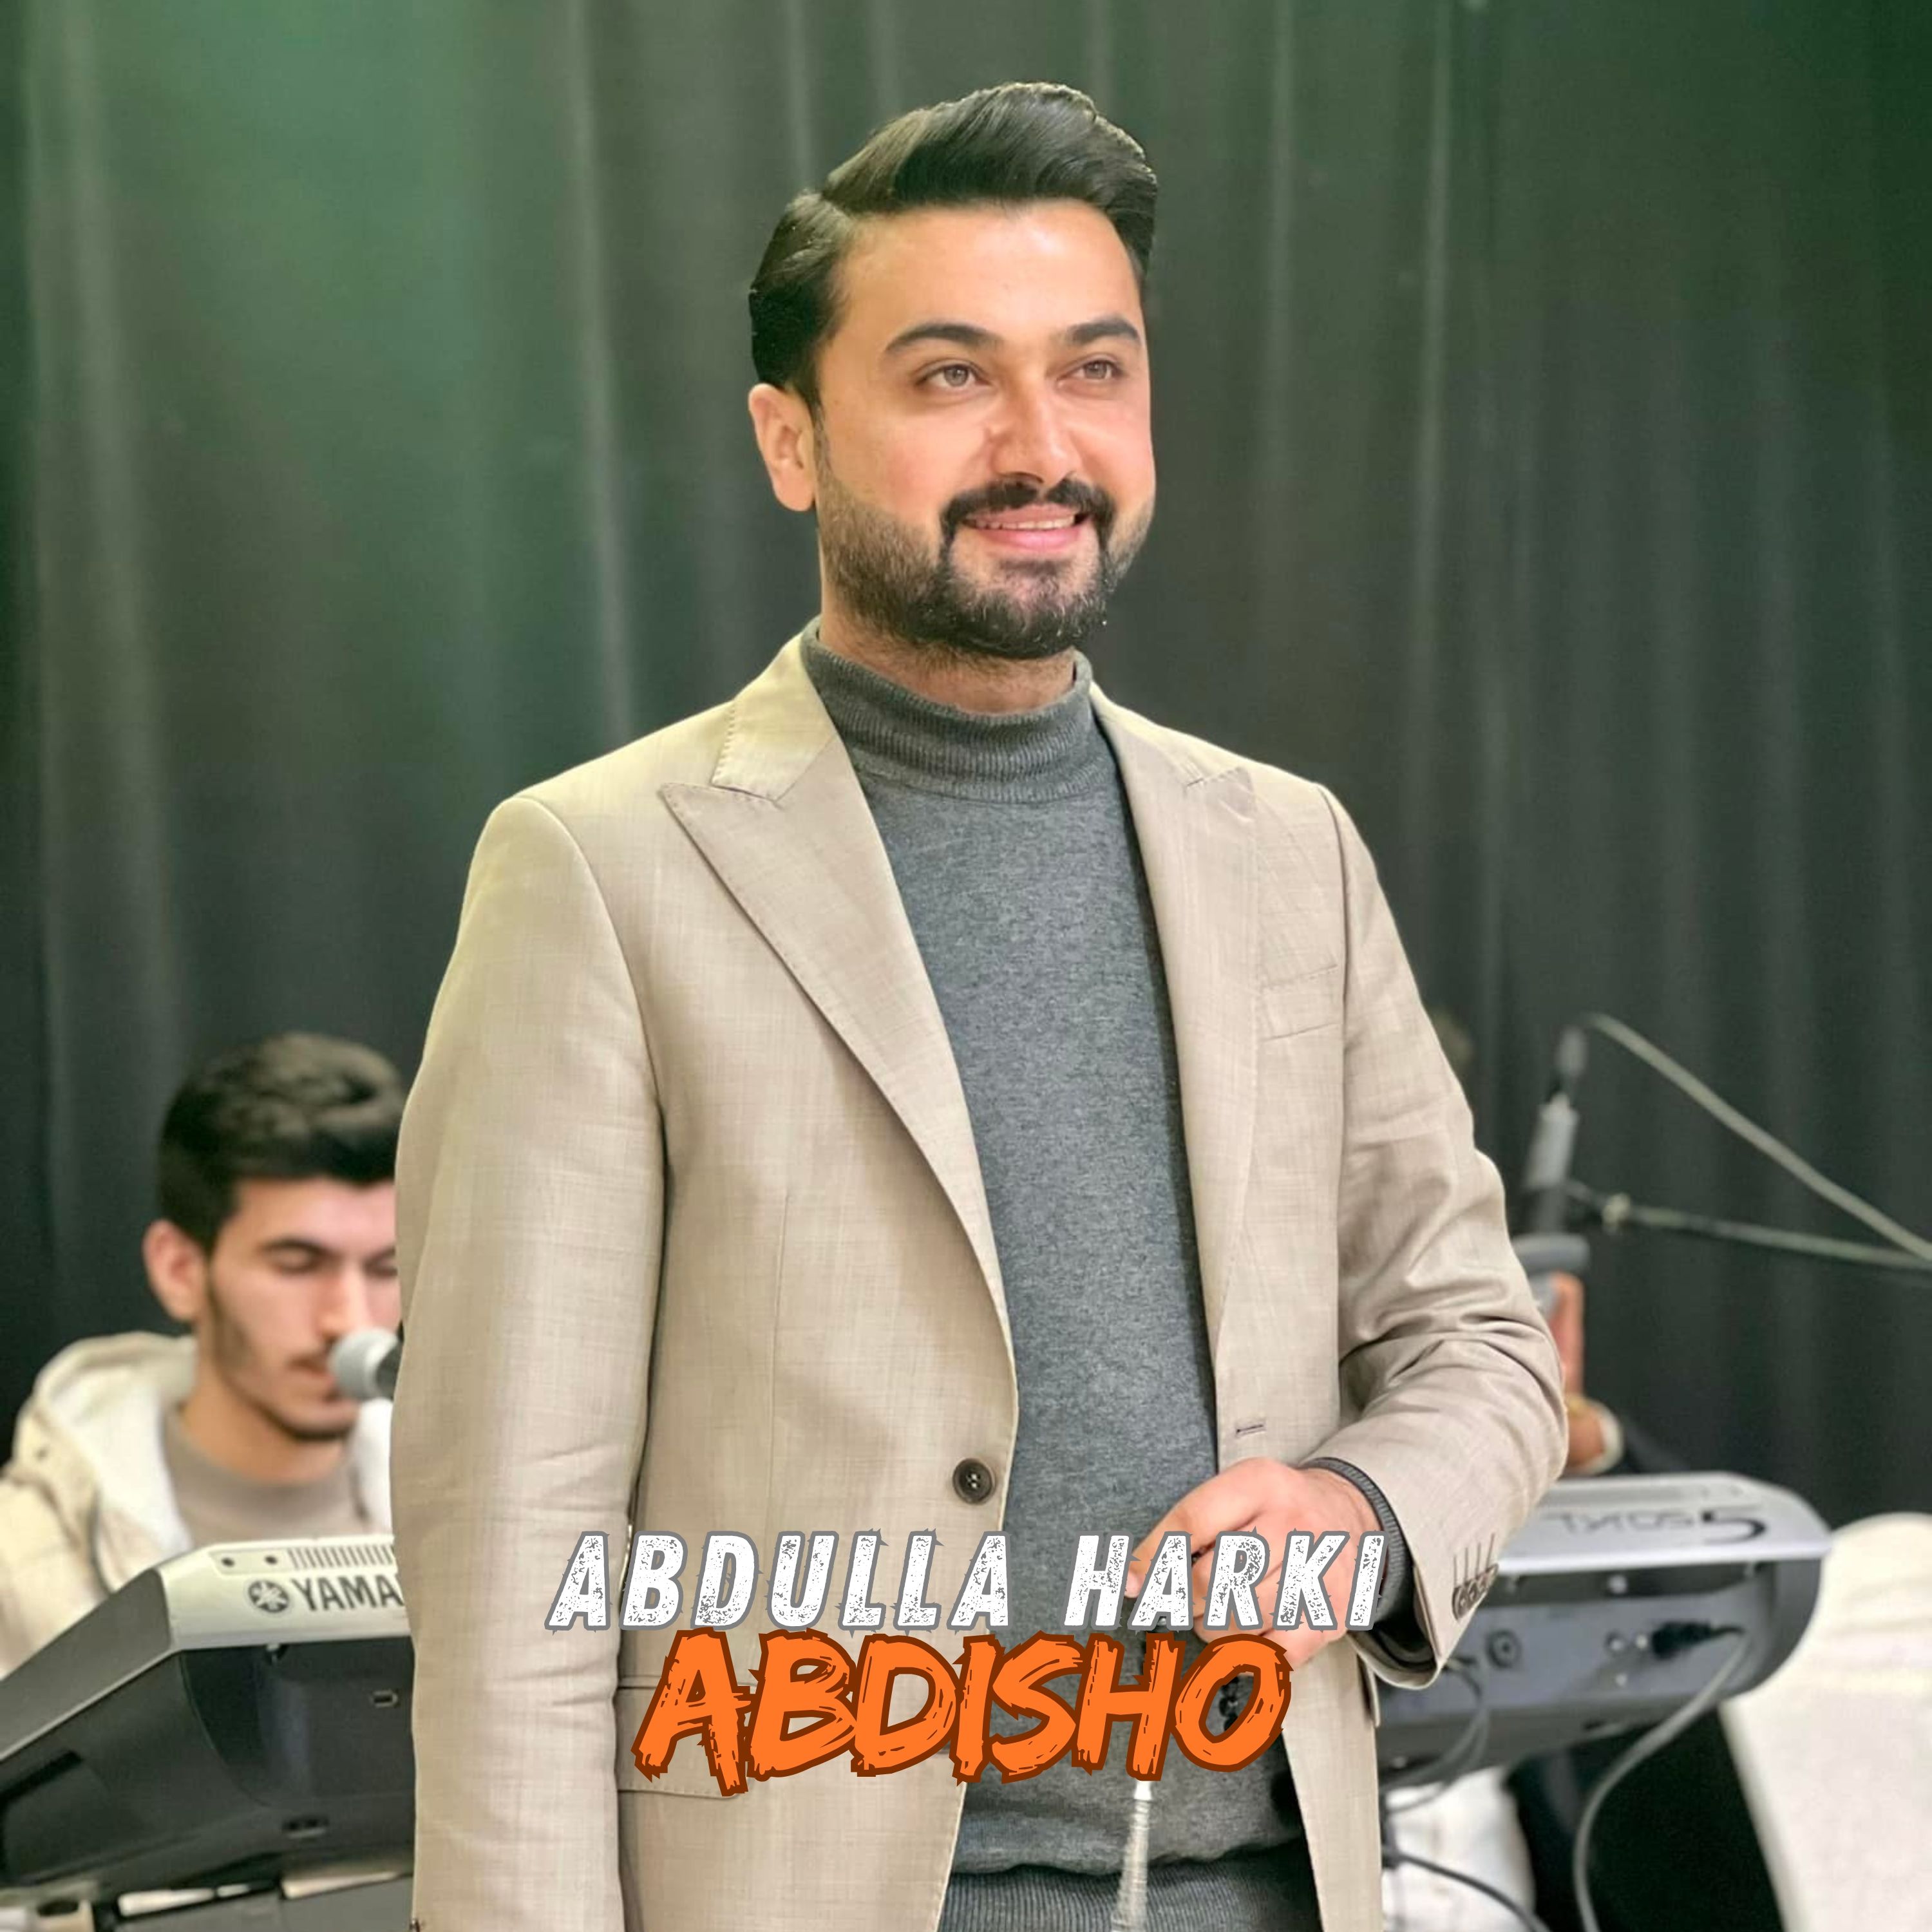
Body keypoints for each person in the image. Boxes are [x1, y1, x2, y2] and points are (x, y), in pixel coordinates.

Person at [392, 82, 1566, 1932]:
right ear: (790, 440)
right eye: (950, 376)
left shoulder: (1290, 852)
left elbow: (1479, 1343)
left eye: (1094, 370)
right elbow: (510, 1554)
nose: (1041, 444)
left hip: (1262, 1890)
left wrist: (1363, 1513)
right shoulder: (599, 869)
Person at [0, 1032, 403, 1676]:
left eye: (386, 1268)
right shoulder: (21, 1562)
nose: (349, 1321)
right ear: (180, 1270)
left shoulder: (474, 1520)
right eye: (297, 1264)